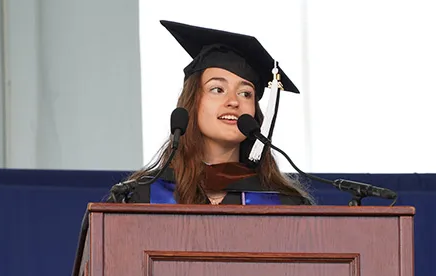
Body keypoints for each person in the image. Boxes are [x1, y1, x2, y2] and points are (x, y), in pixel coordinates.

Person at [114, 20, 314, 206]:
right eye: (217, 89)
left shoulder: (285, 204)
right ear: (193, 102)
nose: (234, 102)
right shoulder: (144, 196)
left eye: (245, 93)